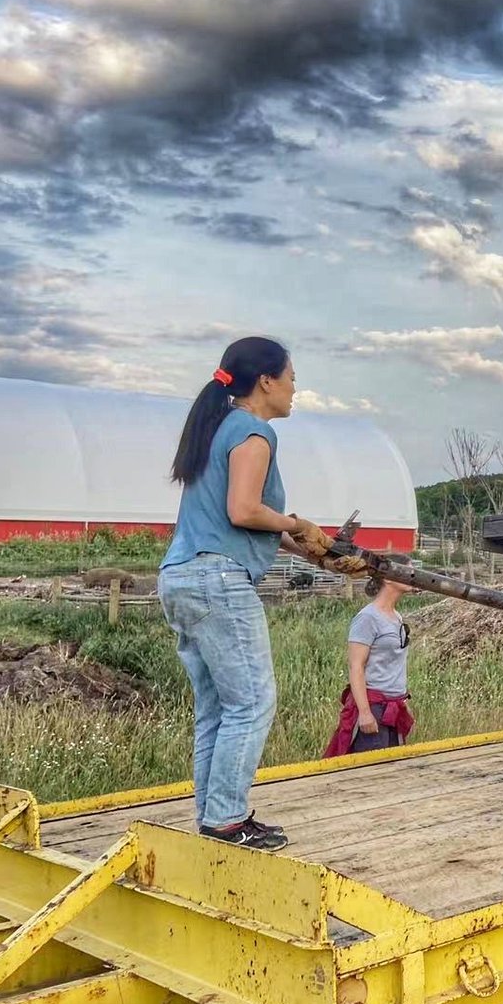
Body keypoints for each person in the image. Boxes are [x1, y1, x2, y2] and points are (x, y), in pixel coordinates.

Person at [158, 337, 366, 852]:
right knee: (252, 702)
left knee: (218, 708)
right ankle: (228, 820)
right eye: (291, 377)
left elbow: (238, 521)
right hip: (218, 580)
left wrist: (315, 550)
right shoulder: (254, 432)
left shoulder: (217, 428)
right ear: (267, 381)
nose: (295, 388)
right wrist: (297, 522)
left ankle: (213, 818)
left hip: (184, 576)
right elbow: (244, 510)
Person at [326, 575, 416, 757]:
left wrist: (402, 702)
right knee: (371, 768)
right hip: (374, 705)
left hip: (393, 706)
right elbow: (356, 666)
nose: (412, 576)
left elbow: (393, 665)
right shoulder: (367, 618)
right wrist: (365, 712)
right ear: (388, 578)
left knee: (393, 766)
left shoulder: (396, 617)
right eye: (407, 571)